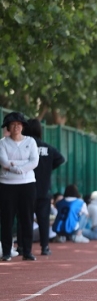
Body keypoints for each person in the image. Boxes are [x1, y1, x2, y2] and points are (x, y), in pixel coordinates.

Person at [0, 112, 39, 261]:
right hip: (7, 184)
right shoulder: (2, 143)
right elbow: (4, 162)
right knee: (7, 219)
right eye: (12, 124)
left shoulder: (31, 141)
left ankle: (27, 251)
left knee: (27, 218)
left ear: (22, 126)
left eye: (18, 124)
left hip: (27, 184)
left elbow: (34, 161)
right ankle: (6, 252)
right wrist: (21, 165)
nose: (16, 127)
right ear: (8, 127)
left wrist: (17, 167)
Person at [24, 119, 66, 256]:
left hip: (26, 188)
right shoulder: (47, 147)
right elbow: (61, 159)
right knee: (43, 219)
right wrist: (48, 168)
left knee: (25, 219)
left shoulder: (24, 146)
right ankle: (45, 247)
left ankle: (23, 247)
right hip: (44, 188)